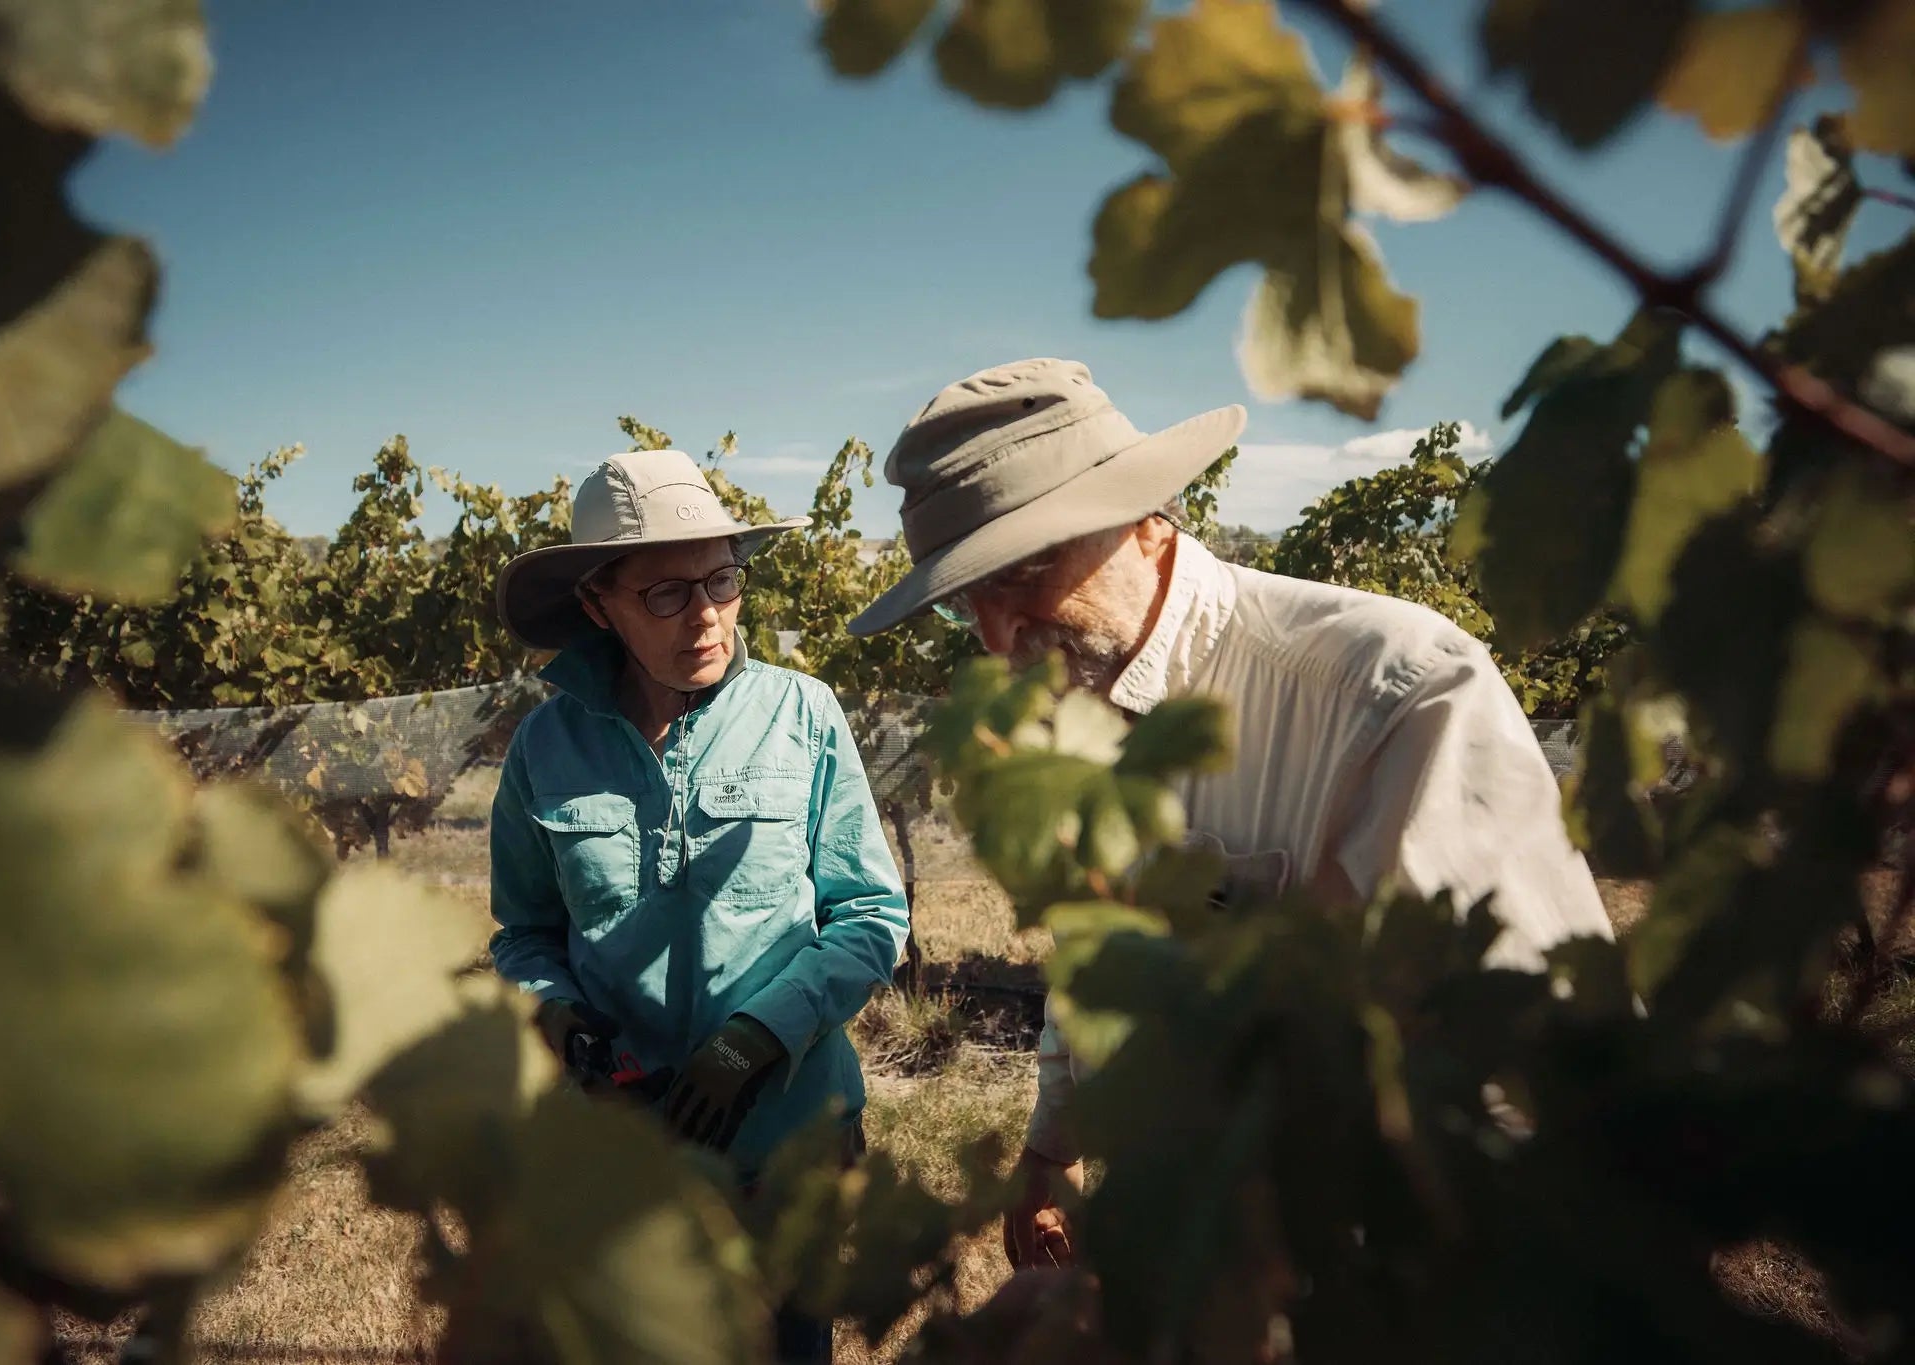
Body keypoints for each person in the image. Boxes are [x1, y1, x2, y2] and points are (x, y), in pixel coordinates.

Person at [846, 357, 1615, 1270]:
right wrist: (1054, 1141)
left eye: (1026, 571)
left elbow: (1535, 1085)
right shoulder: (1068, 717)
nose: (998, 638)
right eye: (965, 599)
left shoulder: (1393, 692)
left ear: (1144, 517)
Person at [490, 449, 910, 1362]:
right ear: (600, 604)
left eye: (723, 578)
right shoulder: (544, 748)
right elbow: (524, 933)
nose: (710, 614)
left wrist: (753, 1038)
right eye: (669, 594)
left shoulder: (803, 714)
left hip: (789, 1139)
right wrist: (559, 1021)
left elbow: (871, 914)